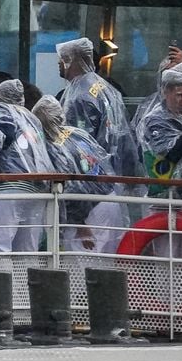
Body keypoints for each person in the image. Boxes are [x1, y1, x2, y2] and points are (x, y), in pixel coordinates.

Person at [32, 95, 127, 252]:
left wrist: (80, 224)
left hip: (89, 211)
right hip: (109, 197)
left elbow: (71, 187)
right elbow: (102, 159)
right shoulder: (76, 133)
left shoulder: (52, 148)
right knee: (109, 259)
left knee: (84, 265)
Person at [0, 79, 56, 252]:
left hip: (11, 185)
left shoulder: (3, 113)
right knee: (27, 248)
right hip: (38, 189)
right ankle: (25, 279)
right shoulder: (32, 119)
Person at [56, 37, 140, 178]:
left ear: (76, 61)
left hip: (93, 173)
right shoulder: (105, 88)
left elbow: (78, 138)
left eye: (64, 58)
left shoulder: (80, 94)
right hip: (113, 168)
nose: (59, 62)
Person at [141, 70, 182, 208]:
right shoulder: (155, 120)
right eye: (180, 95)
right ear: (166, 93)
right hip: (170, 196)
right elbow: (170, 154)